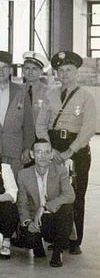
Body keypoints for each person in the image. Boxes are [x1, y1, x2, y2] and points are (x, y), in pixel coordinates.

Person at [36, 51, 95, 255]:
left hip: (76, 151)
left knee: (76, 195)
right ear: (56, 73)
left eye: (69, 70)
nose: (65, 74)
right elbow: (41, 125)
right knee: (53, 193)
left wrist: (70, 151)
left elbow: (88, 128)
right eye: (61, 70)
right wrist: (48, 148)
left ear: (76, 71)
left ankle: (74, 241)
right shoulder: (50, 95)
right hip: (53, 149)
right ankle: (56, 236)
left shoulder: (86, 96)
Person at [17, 138, 75, 267]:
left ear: (51, 154)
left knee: (67, 208)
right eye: (39, 152)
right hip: (36, 220)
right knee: (29, 240)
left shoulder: (61, 171)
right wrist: (28, 222)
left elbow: (70, 195)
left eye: (46, 152)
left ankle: (57, 252)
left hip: (56, 218)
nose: (43, 156)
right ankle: (37, 244)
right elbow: (22, 203)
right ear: (32, 154)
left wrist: (44, 207)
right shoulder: (23, 175)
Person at [22, 51, 49, 122]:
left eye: (34, 69)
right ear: (23, 70)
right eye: (27, 68)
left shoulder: (48, 92)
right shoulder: (17, 90)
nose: (30, 72)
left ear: (41, 71)